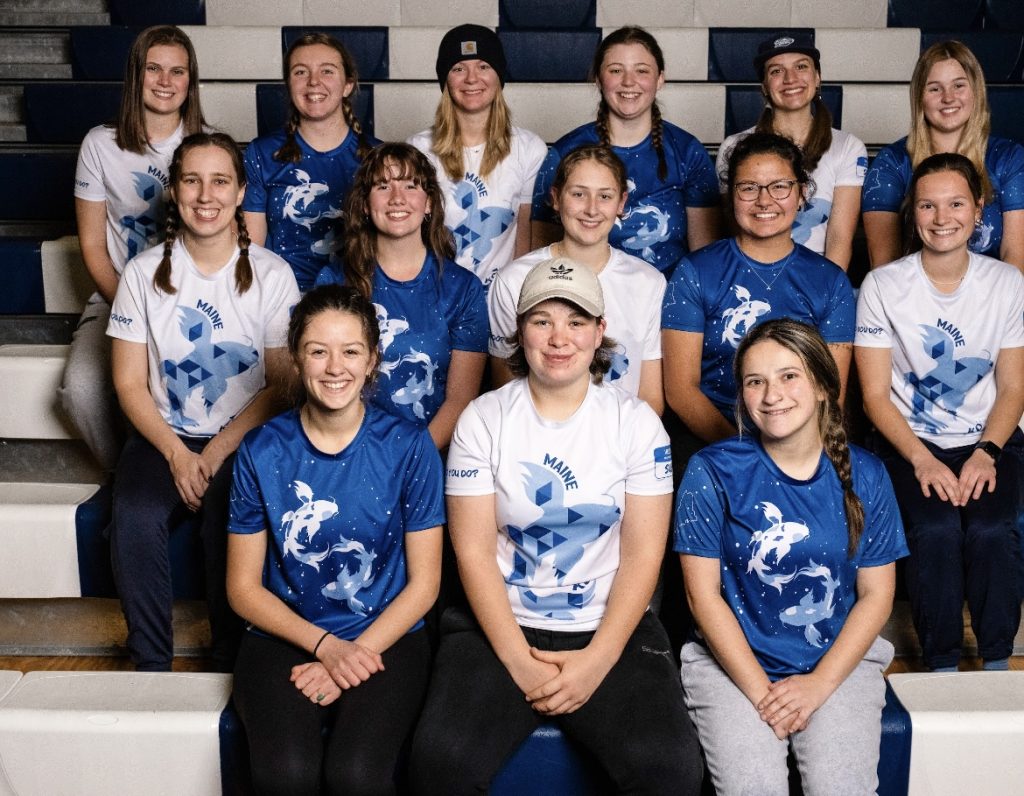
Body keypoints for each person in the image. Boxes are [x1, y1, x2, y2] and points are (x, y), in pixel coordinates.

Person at [409, 258, 704, 795]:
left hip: (606, 622)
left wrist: (597, 662)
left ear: (599, 331)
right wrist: (517, 661)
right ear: (520, 332)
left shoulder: (635, 423)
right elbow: (473, 553)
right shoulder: (483, 418)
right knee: (439, 765)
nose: (558, 337)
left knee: (671, 771)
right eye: (542, 320)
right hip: (501, 619)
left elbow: (643, 556)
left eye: (575, 321)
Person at [227, 283, 443, 796]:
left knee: (357, 777)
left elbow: (425, 583)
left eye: (350, 351)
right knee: (285, 776)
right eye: (317, 351)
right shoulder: (261, 450)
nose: (334, 367)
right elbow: (242, 588)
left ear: (372, 361)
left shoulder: (409, 447)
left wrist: (352, 655)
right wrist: (325, 647)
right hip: (284, 635)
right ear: (297, 360)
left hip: (387, 635)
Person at [676, 318, 908, 794]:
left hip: (836, 661)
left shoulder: (867, 475)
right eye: (755, 381)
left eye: (788, 376)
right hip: (733, 663)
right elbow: (703, 598)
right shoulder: (711, 471)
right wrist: (765, 697)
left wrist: (819, 685)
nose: (771, 394)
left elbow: (876, 597)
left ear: (823, 386)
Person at [106, 132, 300, 672]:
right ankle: (150, 664)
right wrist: (176, 453)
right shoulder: (143, 273)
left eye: (220, 181)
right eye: (192, 180)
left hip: (245, 438)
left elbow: (280, 387)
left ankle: (228, 662)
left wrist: (215, 452)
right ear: (173, 190)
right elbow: (127, 384)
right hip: (165, 433)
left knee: (226, 513)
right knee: (134, 515)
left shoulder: (272, 274)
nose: (205, 194)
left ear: (241, 193)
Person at [856, 153, 1024, 672]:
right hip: (911, 444)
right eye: (927, 205)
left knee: (993, 530)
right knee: (934, 531)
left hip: (991, 439)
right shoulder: (883, 285)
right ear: (912, 213)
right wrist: (922, 460)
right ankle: (943, 661)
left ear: (978, 211)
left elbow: (1014, 387)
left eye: (955, 203)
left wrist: (986, 453)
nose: (941, 217)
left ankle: (997, 661)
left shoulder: (1008, 283)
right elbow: (875, 396)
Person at [65, 24, 207, 471]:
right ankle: (124, 481)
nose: (165, 81)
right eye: (153, 69)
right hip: (116, 294)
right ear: (135, 75)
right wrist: (134, 314)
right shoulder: (99, 144)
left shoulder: (206, 145)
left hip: (190, 300)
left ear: (190, 81)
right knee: (82, 389)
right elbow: (92, 245)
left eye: (177, 71)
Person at [662, 132, 855, 459]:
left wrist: (791, 451)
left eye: (779, 186)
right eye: (749, 188)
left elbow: (829, 392)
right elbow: (681, 391)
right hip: (711, 436)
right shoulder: (695, 272)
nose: (765, 201)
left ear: (802, 193)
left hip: (799, 437)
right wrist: (747, 455)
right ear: (731, 195)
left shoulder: (830, 281)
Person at [315, 142, 487, 449]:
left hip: (432, 453)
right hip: (350, 452)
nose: (397, 198)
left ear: (429, 202)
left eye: (411, 186)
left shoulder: (463, 289)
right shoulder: (333, 282)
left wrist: (416, 461)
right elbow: (321, 384)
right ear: (366, 205)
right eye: (383, 186)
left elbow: (461, 398)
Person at [530, 26, 721, 277]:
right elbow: (543, 256)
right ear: (598, 79)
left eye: (641, 70)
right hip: (583, 302)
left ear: (660, 78)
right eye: (616, 70)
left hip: (667, 301)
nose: (629, 82)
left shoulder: (687, 151)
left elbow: (705, 260)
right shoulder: (566, 151)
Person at [489, 144, 665, 413]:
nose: (592, 209)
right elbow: (506, 394)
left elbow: (650, 399)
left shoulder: (648, 282)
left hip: (618, 442)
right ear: (556, 198)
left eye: (605, 196)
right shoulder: (514, 280)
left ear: (622, 202)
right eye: (579, 194)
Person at [862, 40, 1024, 270]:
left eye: (959, 86)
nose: (948, 98)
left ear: (976, 91)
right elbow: (885, 266)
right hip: (914, 299)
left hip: (993, 300)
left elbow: (1016, 259)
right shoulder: (893, 162)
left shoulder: (1008, 158)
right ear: (919, 97)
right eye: (935, 88)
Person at [408, 24, 547, 290]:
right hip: (437, 294)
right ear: (445, 80)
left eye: (483, 66)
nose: (472, 79)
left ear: (498, 76)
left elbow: (528, 242)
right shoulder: (418, 149)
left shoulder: (529, 148)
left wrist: (514, 301)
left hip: (500, 296)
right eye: (459, 69)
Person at [715, 32, 867, 270]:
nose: (790, 78)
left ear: (817, 78)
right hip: (754, 273)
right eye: (776, 71)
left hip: (818, 274)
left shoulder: (847, 146)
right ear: (764, 86)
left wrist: (825, 294)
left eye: (801, 67)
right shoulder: (735, 146)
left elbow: (839, 238)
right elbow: (737, 234)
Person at [243, 33, 378, 291]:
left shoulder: (377, 156)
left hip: (356, 297)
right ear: (288, 84)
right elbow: (253, 252)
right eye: (300, 72)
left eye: (327, 71)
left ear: (348, 84)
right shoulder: (262, 154)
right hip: (282, 298)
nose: (314, 82)